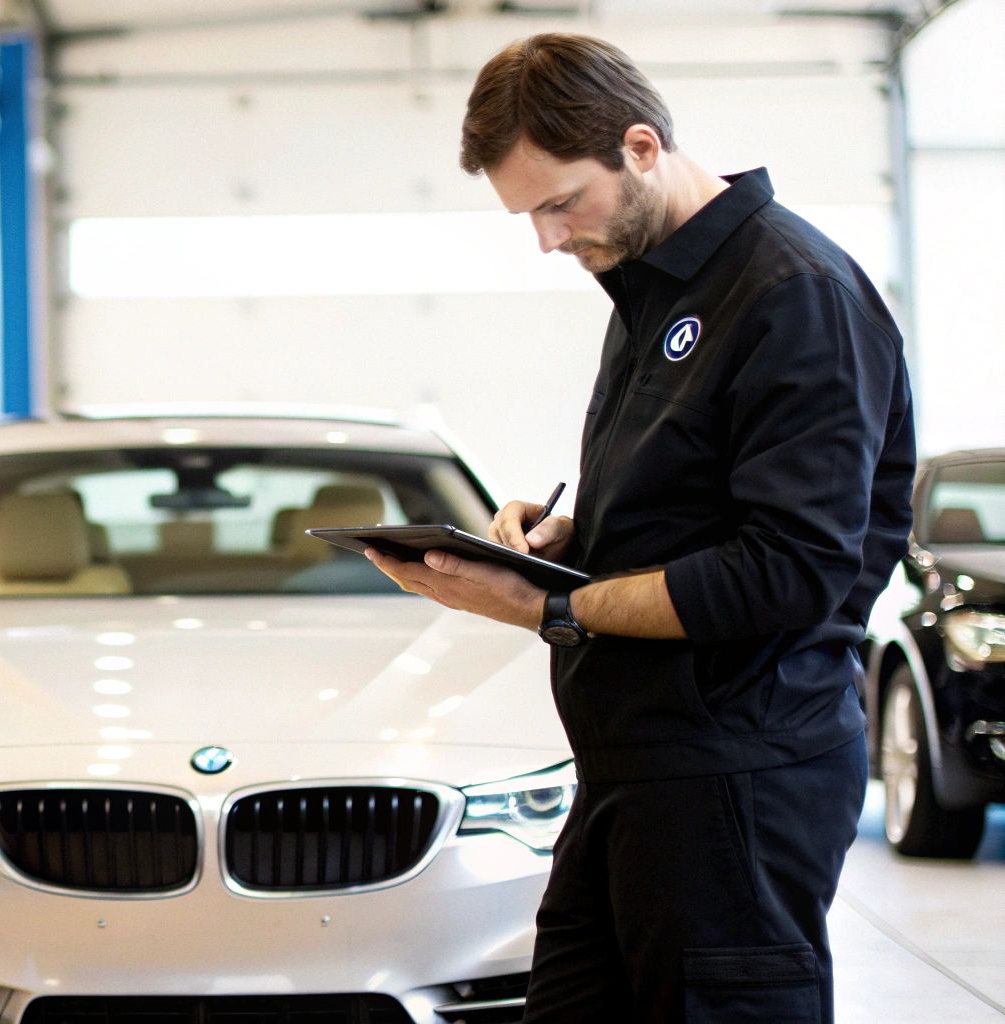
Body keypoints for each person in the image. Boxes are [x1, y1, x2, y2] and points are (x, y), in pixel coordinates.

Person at [362, 33, 916, 1023]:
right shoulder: (652, 290)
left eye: (559, 202)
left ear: (641, 146)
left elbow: (789, 570)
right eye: (528, 215)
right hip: (631, 769)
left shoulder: (792, 294)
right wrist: (564, 538)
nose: (547, 238)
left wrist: (548, 608)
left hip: (735, 777)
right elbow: (691, 512)